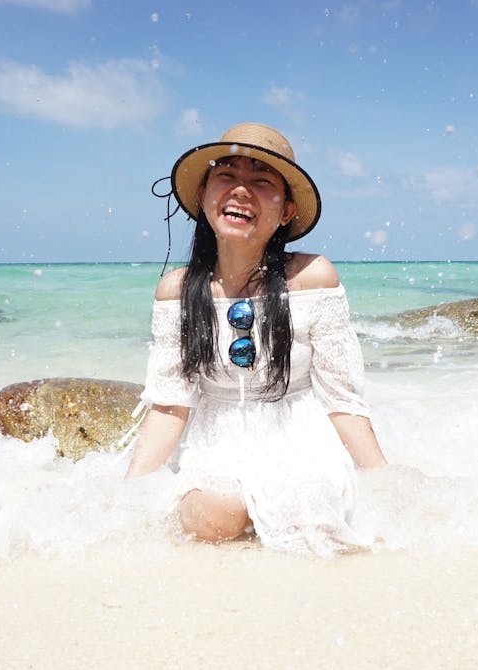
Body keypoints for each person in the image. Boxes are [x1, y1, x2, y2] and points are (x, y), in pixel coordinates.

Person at [126, 123, 387, 554]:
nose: (241, 190)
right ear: (205, 196)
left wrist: (384, 483)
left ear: (285, 210)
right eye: (226, 175)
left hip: (298, 428)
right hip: (216, 432)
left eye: (262, 181)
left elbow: (342, 398)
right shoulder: (176, 289)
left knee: (312, 512)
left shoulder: (312, 277)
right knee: (216, 518)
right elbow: (170, 403)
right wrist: (128, 496)